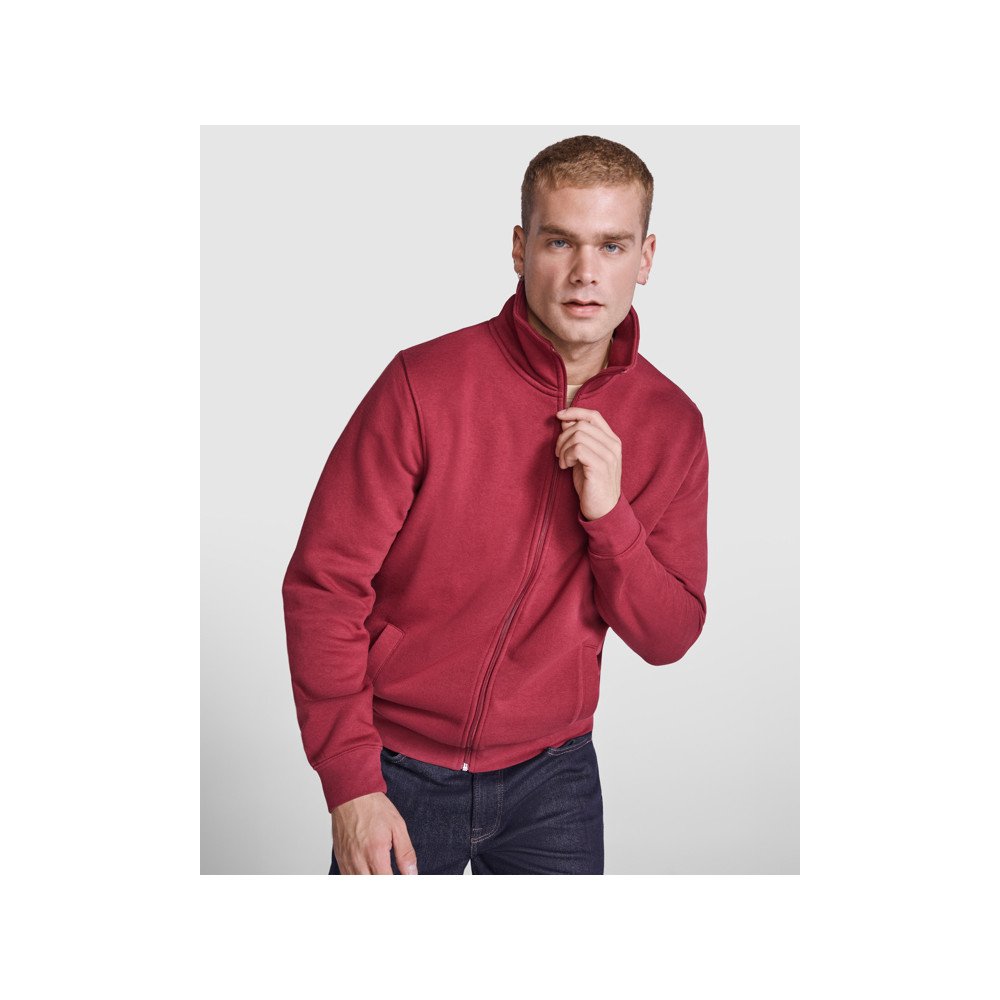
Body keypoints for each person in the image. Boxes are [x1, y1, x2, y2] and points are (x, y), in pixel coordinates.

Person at [281, 134, 709, 875]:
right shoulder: (424, 385)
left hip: (557, 779)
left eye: (612, 246)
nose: (585, 273)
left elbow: (669, 635)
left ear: (645, 258)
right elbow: (324, 587)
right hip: (399, 769)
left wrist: (610, 517)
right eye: (559, 241)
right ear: (519, 248)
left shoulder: (673, 425)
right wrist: (351, 785)